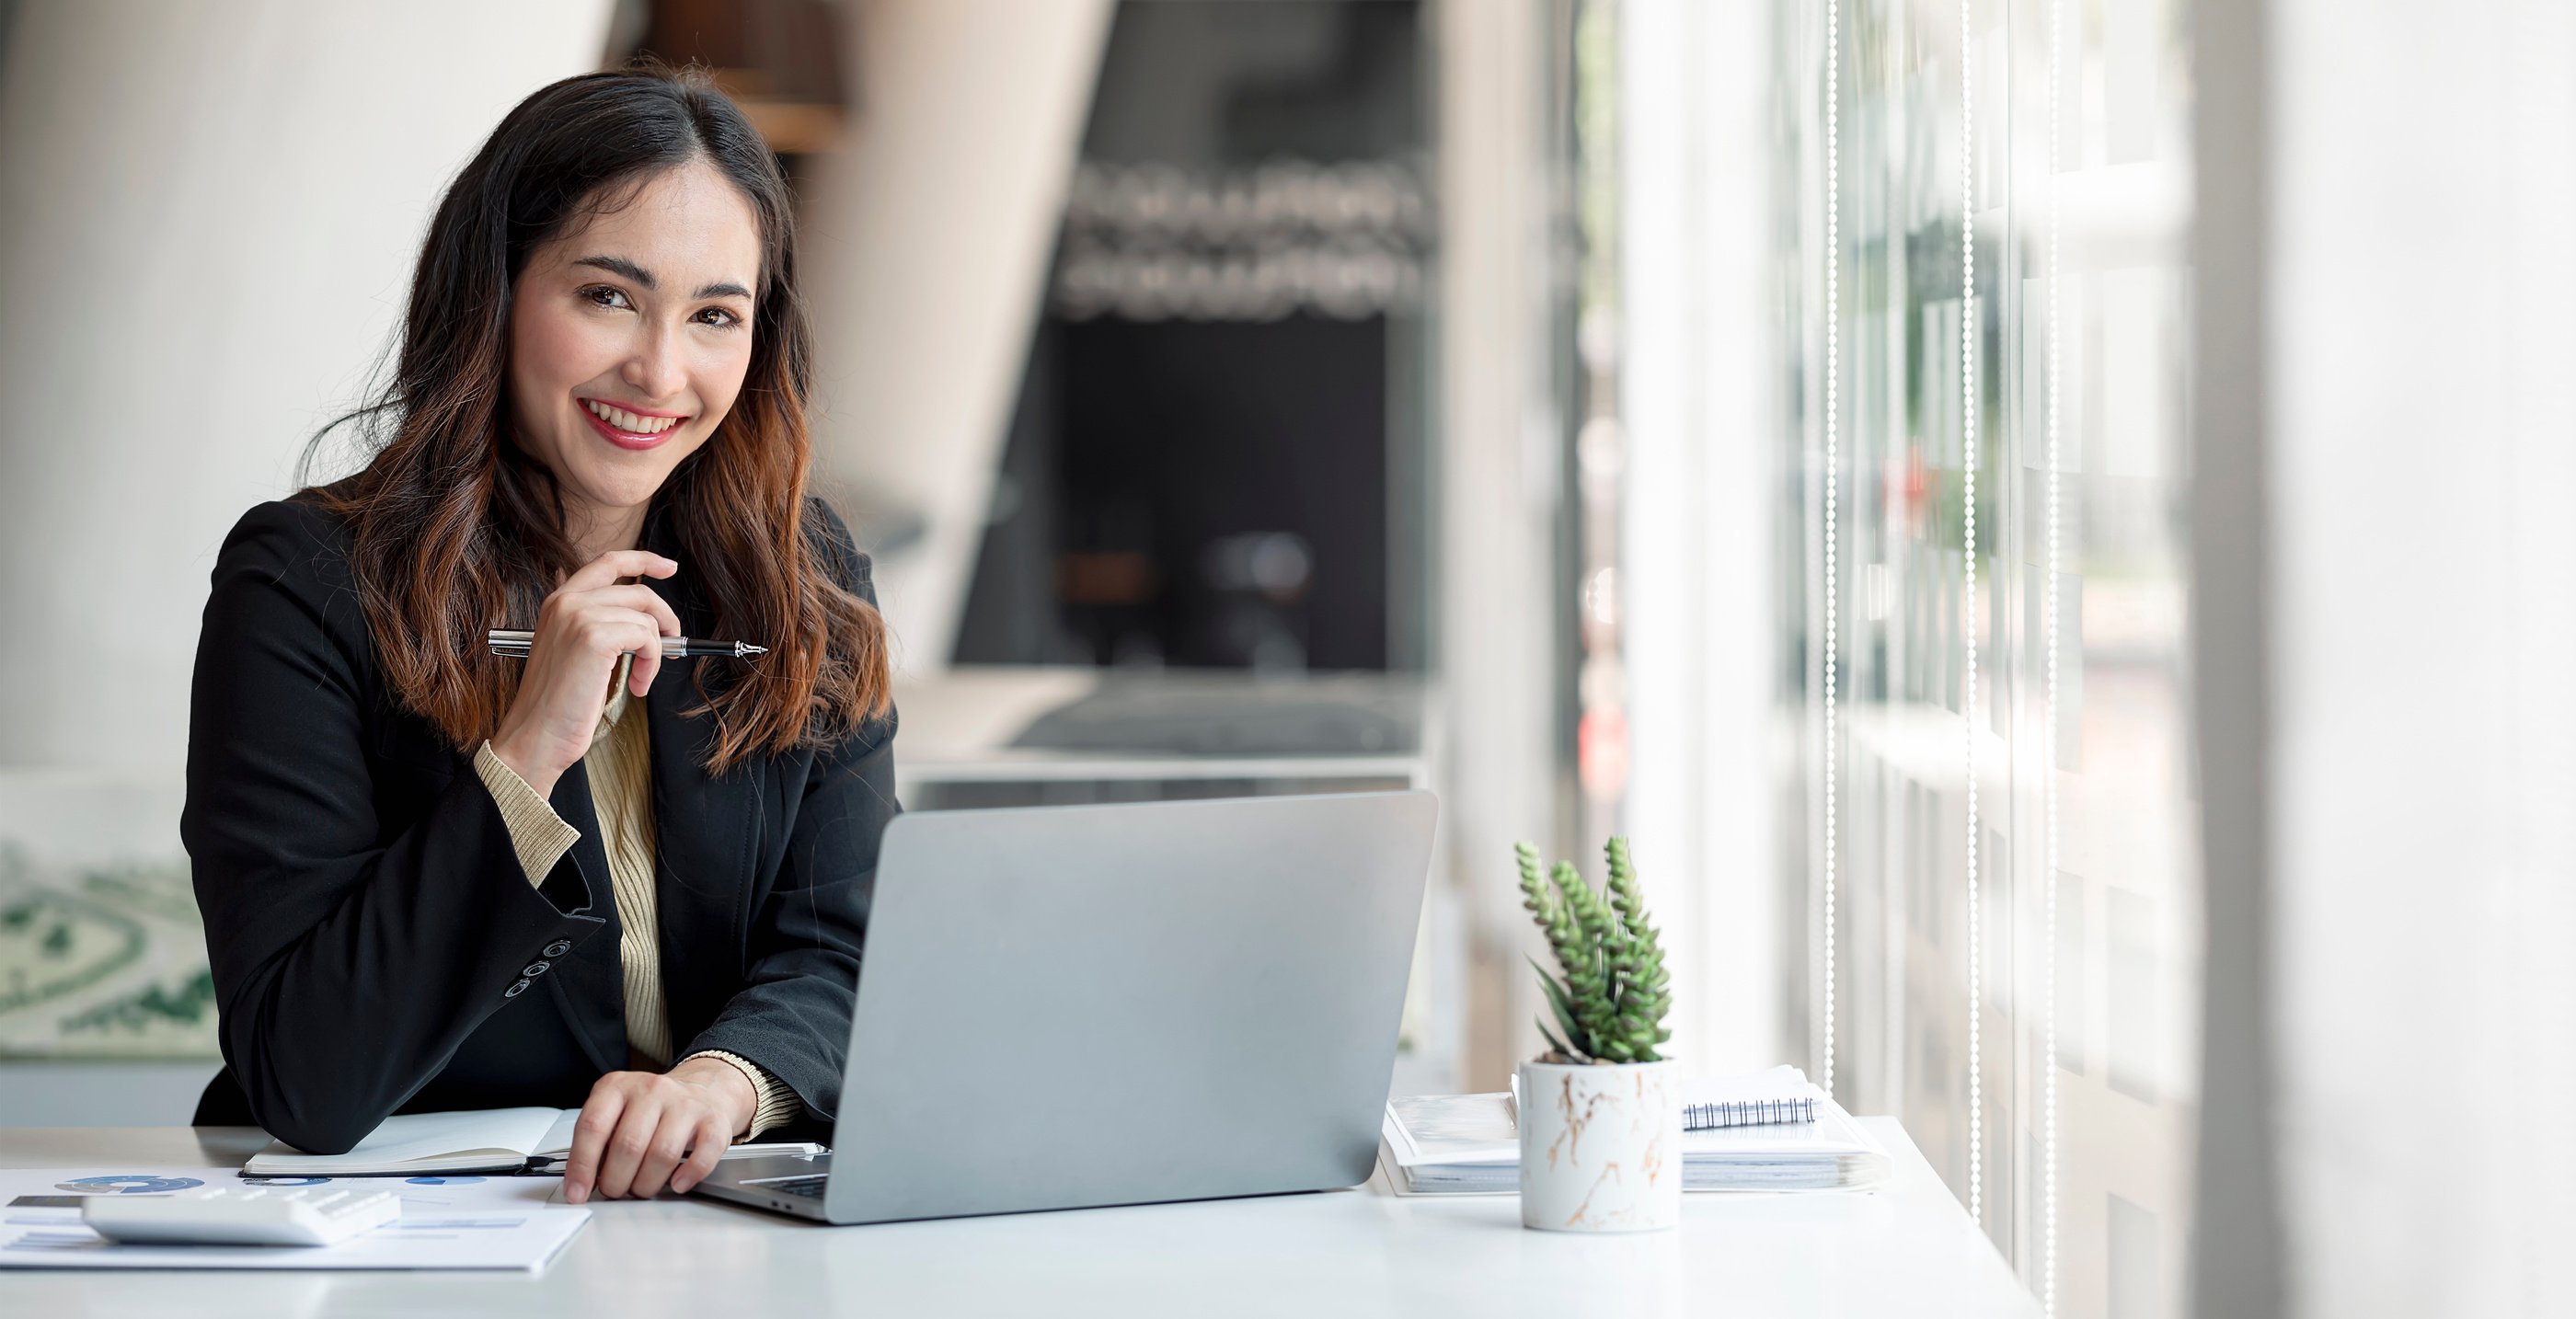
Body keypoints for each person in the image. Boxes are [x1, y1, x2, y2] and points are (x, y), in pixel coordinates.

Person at [182, 64, 897, 1205]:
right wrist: (525, 759)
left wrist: (724, 1083)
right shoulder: (304, 583)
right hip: (404, 1234)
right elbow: (304, 1072)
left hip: (708, 1222)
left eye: (715, 316)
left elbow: (853, 948)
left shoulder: (800, 576)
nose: (660, 371)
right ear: (496, 293)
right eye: (608, 296)